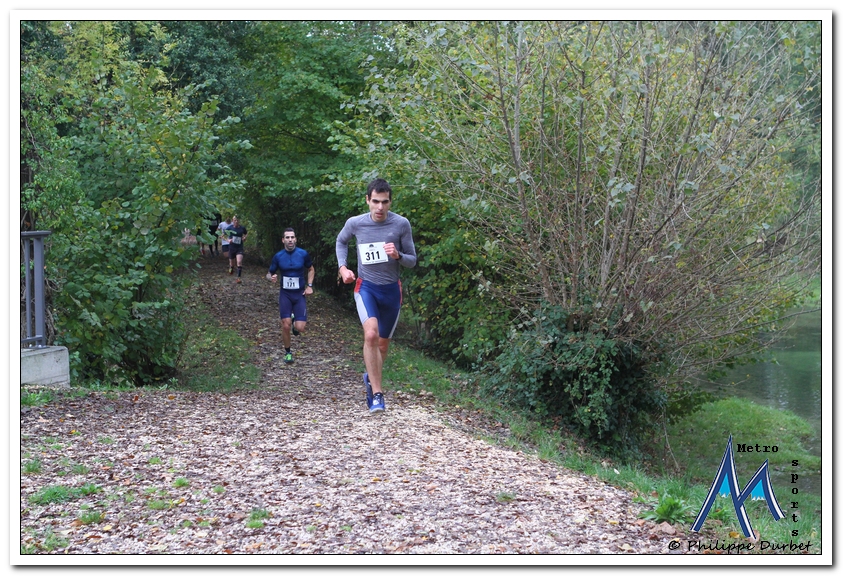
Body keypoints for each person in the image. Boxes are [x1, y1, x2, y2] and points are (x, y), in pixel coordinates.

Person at [336, 178, 417, 414]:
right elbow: (341, 241)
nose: (380, 207)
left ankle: (371, 378)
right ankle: (378, 395)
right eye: (375, 202)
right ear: (367, 201)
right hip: (366, 287)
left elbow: (412, 260)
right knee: (371, 334)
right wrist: (343, 268)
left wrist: (398, 255)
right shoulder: (355, 223)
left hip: (391, 290)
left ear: (390, 202)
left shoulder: (401, 224)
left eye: (384, 202)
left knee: (382, 345)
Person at [267, 228, 315, 365]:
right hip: (285, 294)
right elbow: (269, 273)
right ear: (283, 240)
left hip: (299, 294)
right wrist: (271, 277)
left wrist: (309, 286)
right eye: (287, 237)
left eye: (292, 237)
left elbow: (311, 269)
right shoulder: (278, 256)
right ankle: (288, 352)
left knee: (300, 328)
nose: (290, 240)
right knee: (285, 325)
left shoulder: (302, 254)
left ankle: (295, 322)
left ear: (295, 239)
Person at [225, 216, 248, 284]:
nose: (236, 221)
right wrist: (228, 240)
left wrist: (244, 238)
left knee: (239, 261)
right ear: (232, 221)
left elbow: (246, 233)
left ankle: (238, 278)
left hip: (239, 247)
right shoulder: (230, 228)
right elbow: (222, 235)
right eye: (235, 220)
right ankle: (231, 268)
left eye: (237, 220)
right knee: (232, 264)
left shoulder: (242, 228)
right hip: (232, 247)